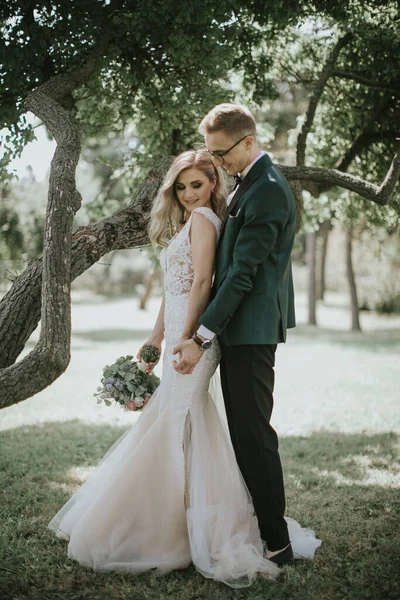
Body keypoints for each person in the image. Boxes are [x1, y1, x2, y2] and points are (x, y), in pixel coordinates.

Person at [48, 148, 320, 588]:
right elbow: (172, 290)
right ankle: (180, 518)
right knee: (184, 423)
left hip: (192, 340)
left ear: (213, 183)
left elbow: (200, 284)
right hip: (177, 332)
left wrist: (190, 339)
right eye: (182, 186)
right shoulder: (189, 223)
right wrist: (156, 335)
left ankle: (167, 528)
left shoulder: (204, 222)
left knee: (173, 421)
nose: (191, 193)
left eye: (198, 184)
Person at [173, 104, 311, 566]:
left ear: (248, 141)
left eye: (221, 153)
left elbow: (244, 275)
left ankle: (278, 543)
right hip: (240, 330)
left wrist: (201, 335)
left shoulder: (268, 190)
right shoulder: (247, 184)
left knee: (254, 436)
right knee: (247, 434)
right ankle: (265, 530)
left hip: (249, 333)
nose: (216, 163)